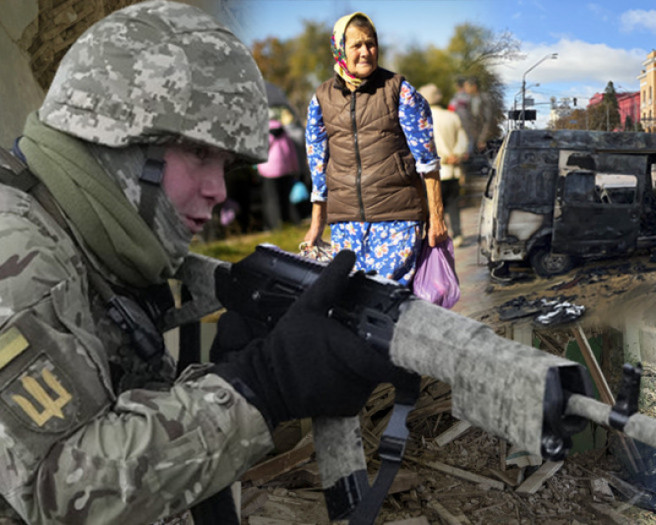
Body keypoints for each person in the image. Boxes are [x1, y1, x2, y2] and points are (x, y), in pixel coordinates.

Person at [0, 2, 406, 522]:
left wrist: (221, 377)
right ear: (117, 143)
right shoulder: (21, 262)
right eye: (198, 154)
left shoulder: (88, 243)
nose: (218, 190)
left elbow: (108, 416)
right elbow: (57, 494)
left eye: (226, 165)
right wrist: (259, 388)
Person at [301, 12, 446, 284]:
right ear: (339, 49)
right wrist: (316, 226)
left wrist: (436, 217)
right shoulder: (321, 99)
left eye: (371, 43)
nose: (366, 52)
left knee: (387, 297)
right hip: (345, 223)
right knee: (352, 301)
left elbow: (428, 161)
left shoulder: (399, 90)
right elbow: (318, 167)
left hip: (397, 218)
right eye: (356, 45)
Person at [420, 83, 469, 247]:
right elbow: (463, 140)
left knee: (434, 205)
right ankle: (458, 235)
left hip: (435, 171)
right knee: (454, 204)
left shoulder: (423, 118)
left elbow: (427, 144)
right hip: (454, 170)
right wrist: (456, 155)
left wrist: (443, 157)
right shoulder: (452, 116)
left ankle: (438, 236)